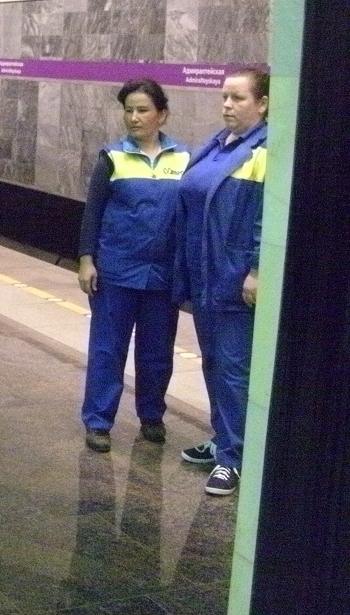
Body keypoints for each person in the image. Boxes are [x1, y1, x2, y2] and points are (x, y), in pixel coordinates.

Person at [77, 79, 189, 453]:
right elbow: (93, 212)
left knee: (157, 352)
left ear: (162, 115)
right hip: (117, 273)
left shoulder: (183, 159)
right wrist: (87, 259)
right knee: (108, 350)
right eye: (129, 110)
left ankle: (152, 416)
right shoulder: (112, 157)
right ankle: (98, 421)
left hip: (162, 276)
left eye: (142, 110)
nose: (134, 117)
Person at [176, 67, 268, 496]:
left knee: (234, 370)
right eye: (224, 97)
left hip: (233, 279)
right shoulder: (217, 144)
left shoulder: (265, 149)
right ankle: (222, 439)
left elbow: (267, 216)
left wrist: (257, 269)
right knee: (213, 362)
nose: (228, 105)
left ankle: (234, 459)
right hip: (204, 275)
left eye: (238, 98)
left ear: (263, 104)